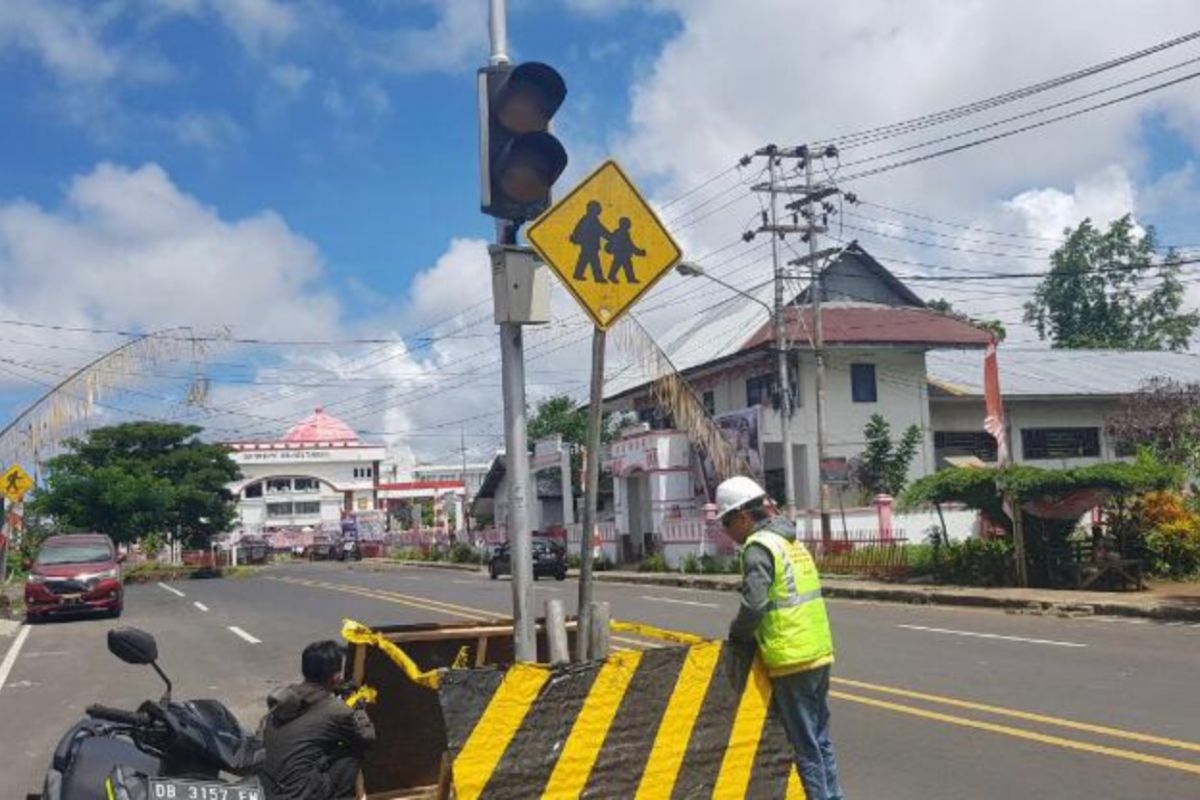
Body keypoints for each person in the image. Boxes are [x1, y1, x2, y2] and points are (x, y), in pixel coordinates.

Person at [719, 476, 843, 800]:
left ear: (744, 517)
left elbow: (754, 605)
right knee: (820, 738)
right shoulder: (790, 541)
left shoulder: (758, 548)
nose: (726, 532)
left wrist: (736, 637)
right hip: (817, 650)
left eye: (726, 523)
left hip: (791, 658)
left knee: (805, 746)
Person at [260, 640, 376, 800]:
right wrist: (358, 708)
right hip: (298, 795)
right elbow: (367, 737)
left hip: (269, 790)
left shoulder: (285, 697)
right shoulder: (336, 711)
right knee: (352, 751)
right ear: (336, 677)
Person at [571, 200, 611, 283]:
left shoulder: (591, 218)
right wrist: (611, 237)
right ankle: (598, 277)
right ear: (593, 209)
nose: (599, 210)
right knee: (594, 261)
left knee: (584, 259)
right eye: (597, 208)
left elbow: (601, 230)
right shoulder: (590, 219)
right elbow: (601, 231)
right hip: (589, 245)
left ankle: (578, 274)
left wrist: (611, 237)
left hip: (588, 245)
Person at [605, 216, 646, 284]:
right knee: (624, 265)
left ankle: (629, 278)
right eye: (628, 224)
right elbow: (629, 245)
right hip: (621, 253)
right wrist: (638, 252)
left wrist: (638, 252)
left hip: (622, 253)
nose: (629, 225)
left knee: (622, 265)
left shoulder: (621, 232)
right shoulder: (622, 233)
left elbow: (630, 245)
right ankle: (628, 278)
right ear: (624, 225)